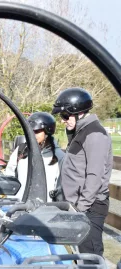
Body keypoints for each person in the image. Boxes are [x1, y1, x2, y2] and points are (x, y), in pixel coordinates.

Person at [52, 87, 112, 262]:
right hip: (78, 206)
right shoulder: (80, 132)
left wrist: (80, 209)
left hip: (89, 208)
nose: (62, 121)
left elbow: (95, 176)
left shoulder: (94, 134)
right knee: (80, 255)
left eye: (65, 116)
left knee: (91, 257)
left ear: (79, 113)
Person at [5, 112, 64, 202]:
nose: (33, 135)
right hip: (21, 205)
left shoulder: (58, 155)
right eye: (30, 131)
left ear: (47, 131)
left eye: (37, 131)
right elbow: (9, 176)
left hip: (47, 208)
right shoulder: (20, 151)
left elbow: (62, 186)